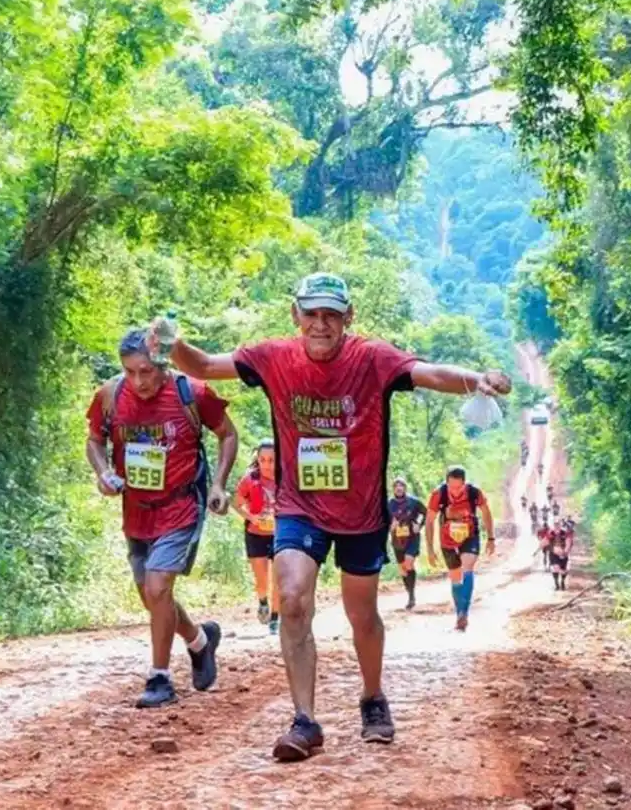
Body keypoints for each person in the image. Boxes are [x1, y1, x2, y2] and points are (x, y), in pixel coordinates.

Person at [154, 272, 511, 761]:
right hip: (300, 507)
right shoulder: (273, 357)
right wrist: (172, 343)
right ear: (295, 315)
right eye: (312, 313)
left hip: (361, 511)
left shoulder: (371, 358)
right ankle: (304, 720)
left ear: (348, 317)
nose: (321, 324)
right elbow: (205, 365)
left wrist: (477, 379)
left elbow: (429, 373)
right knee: (294, 598)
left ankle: (372, 697)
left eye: (332, 315)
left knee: (361, 614)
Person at [86, 329, 237, 708]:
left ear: (163, 365)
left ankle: (160, 678)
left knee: (157, 587)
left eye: (147, 371)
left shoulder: (192, 393)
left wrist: (219, 484)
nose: (139, 381)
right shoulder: (110, 395)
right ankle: (201, 641)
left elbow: (227, 434)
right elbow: (94, 440)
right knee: (152, 597)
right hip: (137, 510)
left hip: (181, 505)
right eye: (130, 371)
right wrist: (103, 472)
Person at [425, 466, 496, 632]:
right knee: (455, 577)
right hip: (447, 539)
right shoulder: (438, 494)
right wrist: (429, 548)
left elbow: (486, 512)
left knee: (467, 566)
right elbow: (429, 521)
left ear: (464, 483)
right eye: (451, 487)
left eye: (458, 487)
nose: (455, 491)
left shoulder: (474, 493)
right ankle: (459, 614)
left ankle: (465, 611)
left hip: (469, 535)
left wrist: (491, 538)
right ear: (446, 483)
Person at [235, 439, 280, 634]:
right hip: (256, 534)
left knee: (278, 579)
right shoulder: (250, 479)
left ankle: (275, 618)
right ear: (258, 460)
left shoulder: (285, 478)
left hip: (280, 535)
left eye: (271, 460)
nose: (267, 465)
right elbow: (236, 503)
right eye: (263, 460)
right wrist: (252, 517)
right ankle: (263, 602)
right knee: (262, 579)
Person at [387, 477, 427, 610]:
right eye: (396, 486)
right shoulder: (388, 504)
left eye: (401, 486)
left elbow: (424, 513)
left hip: (412, 538)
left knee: (409, 562)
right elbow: (381, 521)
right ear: (393, 489)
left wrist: (418, 524)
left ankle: (412, 595)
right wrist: (390, 527)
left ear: (405, 488)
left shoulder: (414, 502)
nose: (399, 488)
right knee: (403, 569)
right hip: (397, 540)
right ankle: (410, 593)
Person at [548, 519, 574, 590]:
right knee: (554, 568)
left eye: (558, 524)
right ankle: (556, 583)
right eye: (555, 525)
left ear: (560, 525)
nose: (557, 526)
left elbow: (569, 542)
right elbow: (547, 542)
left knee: (564, 568)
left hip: (563, 553)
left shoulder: (565, 533)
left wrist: (566, 551)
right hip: (553, 554)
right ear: (554, 525)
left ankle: (562, 581)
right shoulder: (550, 533)